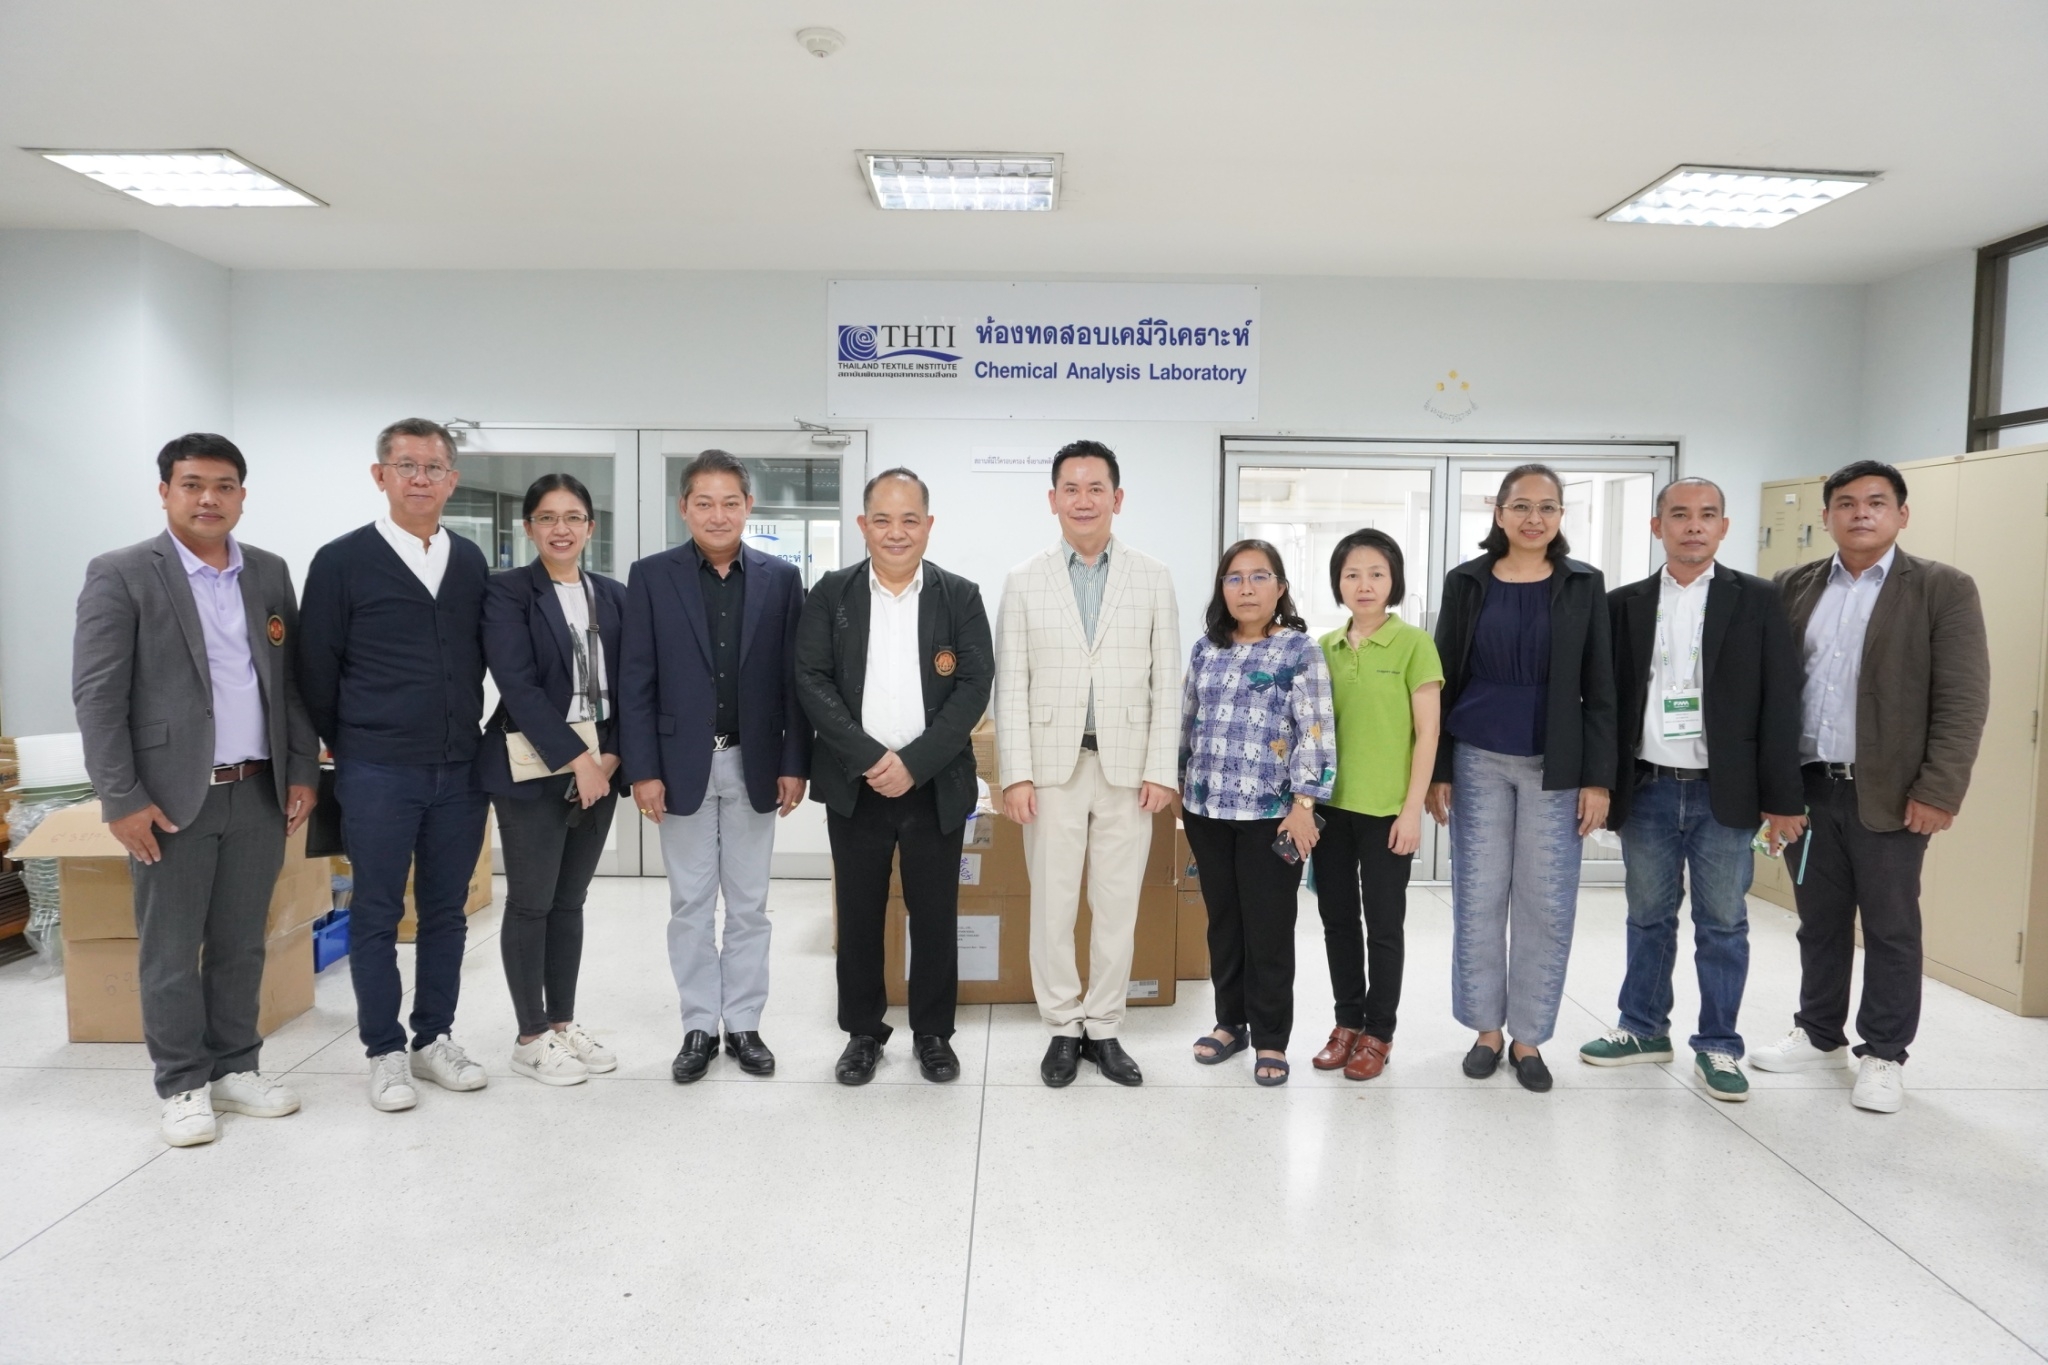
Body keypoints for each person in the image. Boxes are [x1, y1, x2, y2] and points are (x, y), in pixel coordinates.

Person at [72, 433, 320, 1147]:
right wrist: (120, 797)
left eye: (223, 485)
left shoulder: (267, 571)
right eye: (192, 484)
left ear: (241, 495)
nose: (209, 498)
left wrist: (300, 769)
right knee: (172, 948)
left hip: (258, 791)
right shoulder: (122, 573)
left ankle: (237, 1067)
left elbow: (290, 683)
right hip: (170, 798)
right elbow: (97, 696)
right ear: (165, 492)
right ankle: (182, 1082)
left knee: (242, 941)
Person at [1748, 460, 1988, 1114]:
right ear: (1826, 515)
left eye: (1877, 502)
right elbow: (1770, 693)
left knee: (1890, 927)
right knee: (1818, 923)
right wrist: (1773, 789)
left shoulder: (1941, 588)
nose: (1861, 513)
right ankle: (1819, 1032)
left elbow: (1963, 699)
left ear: (1901, 514)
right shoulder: (1792, 585)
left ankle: (1884, 1053)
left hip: (1890, 792)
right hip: (1807, 788)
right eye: (1847, 503)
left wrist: (1940, 789)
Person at [1577, 478, 1806, 1102]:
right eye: (1679, 515)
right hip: (1648, 788)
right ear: (1658, 527)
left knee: (1723, 924)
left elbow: (1781, 703)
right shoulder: (1624, 604)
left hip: (1724, 795)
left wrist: (1784, 799)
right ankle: (1643, 1028)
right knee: (1648, 918)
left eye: (1707, 515)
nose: (1694, 526)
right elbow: (1604, 704)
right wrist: (1600, 783)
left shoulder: (1759, 600)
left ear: (1724, 527)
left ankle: (1719, 1044)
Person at [300, 417, 493, 1113]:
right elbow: (315, 670)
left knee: (446, 912)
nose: (420, 478)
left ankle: (433, 1037)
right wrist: (354, 743)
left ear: (452, 480)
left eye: (433, 467)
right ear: (380, 475)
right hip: (378, 769)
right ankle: (384, 1050)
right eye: (406, 465)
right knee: (378, 911)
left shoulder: (468, 560)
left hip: (460, 768)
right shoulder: (341, 561)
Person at [795, 468, 993, 1086]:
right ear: (863, 525)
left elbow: (973, 686)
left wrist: (913, 763)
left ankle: (933, 1034)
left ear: (928, 526)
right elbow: (811, 679)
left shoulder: (960, 596)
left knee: (935, 915)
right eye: (882, 519)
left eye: (909, 519)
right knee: (858, 915)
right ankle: (863, 1033)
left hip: (934, 785)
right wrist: (870, 759)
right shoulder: (831, 593)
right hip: (856, 785)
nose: (896, 532)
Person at [619, 449, 810, 1085]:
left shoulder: (782, 579)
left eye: (730, 502)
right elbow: (636, 679)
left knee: (751, 906)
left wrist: (794, 761)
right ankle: (699, 1025)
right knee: (691, 905)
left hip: (755, 762)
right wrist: (642, 769)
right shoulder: (651, 576)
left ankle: (746, 1023)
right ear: (684, 507)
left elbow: (794, 681)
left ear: (749, 506)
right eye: (704, 502)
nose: (718, 515)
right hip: (679, 767)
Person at [995, 439, 1180, 1088]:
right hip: (1052, 768)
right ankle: (1061, 1025)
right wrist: (1015, 774)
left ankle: (1104, 1025)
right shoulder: (1024, 579)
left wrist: (1162, 768)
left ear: (1116, 499)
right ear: (1052, 500)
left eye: (1095, 488)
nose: (1083, 500)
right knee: (1052, 904)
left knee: (1116, 905)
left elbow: (1167, 680)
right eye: (1070, 489)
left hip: (1129, 770)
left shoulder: (1153, 576)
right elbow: (1011, 684)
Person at [1425, 463, 1616, 1093]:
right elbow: (1443, 676)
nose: (1535, 518)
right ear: (1499, 512)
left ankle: (1528, 1038)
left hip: (1556, 766)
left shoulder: (1584, 584)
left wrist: (1598, 779)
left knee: (1547, 903)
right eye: (1522, 506)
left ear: (1561, 515)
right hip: (1477, 755)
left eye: (1548, 507)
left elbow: (1601, 686)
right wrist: (1439, 768)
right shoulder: (1467, 581)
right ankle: (1486, 1030)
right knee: (1478, 899)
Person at [477, 474, 626, 1086]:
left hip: (604, 762)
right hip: (532, 765)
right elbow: (517, 684)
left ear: (590, 526)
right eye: (547, 517)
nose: (560, 529)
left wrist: (611, 757)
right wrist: (579, 760)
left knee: (570, 900)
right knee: (532, 901)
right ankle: (530, 1036)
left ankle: (561, 1023)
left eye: (572, 517)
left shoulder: (613, 595)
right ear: (529, 527)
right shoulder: (507, 592)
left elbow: (636, 683)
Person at [1180, 541, 1334, 1086]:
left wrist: (1305, 804)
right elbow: (1188, 721)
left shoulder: (1299, 651)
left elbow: (1315, 729)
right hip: (1206, 808)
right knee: (1223, 922)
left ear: (1280, 587)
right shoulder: (1206, 649)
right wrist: (1177, 783)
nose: (1246, 588)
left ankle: (1271, 1038)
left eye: (1259, 576)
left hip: (1273, 815)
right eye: (1234, 578)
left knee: (1268, 928)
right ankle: (1230, 1023)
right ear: (1222, 589)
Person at [1309, 529, 1442, 1082]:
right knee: (1337, 921)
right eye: (1352, 574)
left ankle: (1379, 1033)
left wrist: (1411, 811)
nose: (1364, 585)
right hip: (1331, 810)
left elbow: (1428, 734)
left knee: (1384, 926)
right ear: (1338, 583)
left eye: (1377, 574)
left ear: (1394, 582)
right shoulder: (1323, 648)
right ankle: (1347, 1023)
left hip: (1388, 813)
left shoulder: (1414, 644)